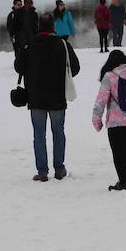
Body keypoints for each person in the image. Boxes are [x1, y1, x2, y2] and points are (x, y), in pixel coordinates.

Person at [15, 13, 80, 182]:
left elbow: (19, 67)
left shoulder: (30, 45)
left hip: (35, 97)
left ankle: (42, 171)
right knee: (58, 132)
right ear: (53, 27)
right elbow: (75, 67)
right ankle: (59, 169)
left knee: (39, 134)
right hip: (58, 96)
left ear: (38, 27)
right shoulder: (63, 44)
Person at [93, 50, 126, 192]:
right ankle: (125, 181)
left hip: (115, 122)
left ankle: (122, 182)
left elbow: (101, 100)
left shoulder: (109, 76)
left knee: (118, 152)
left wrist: (96, 120)